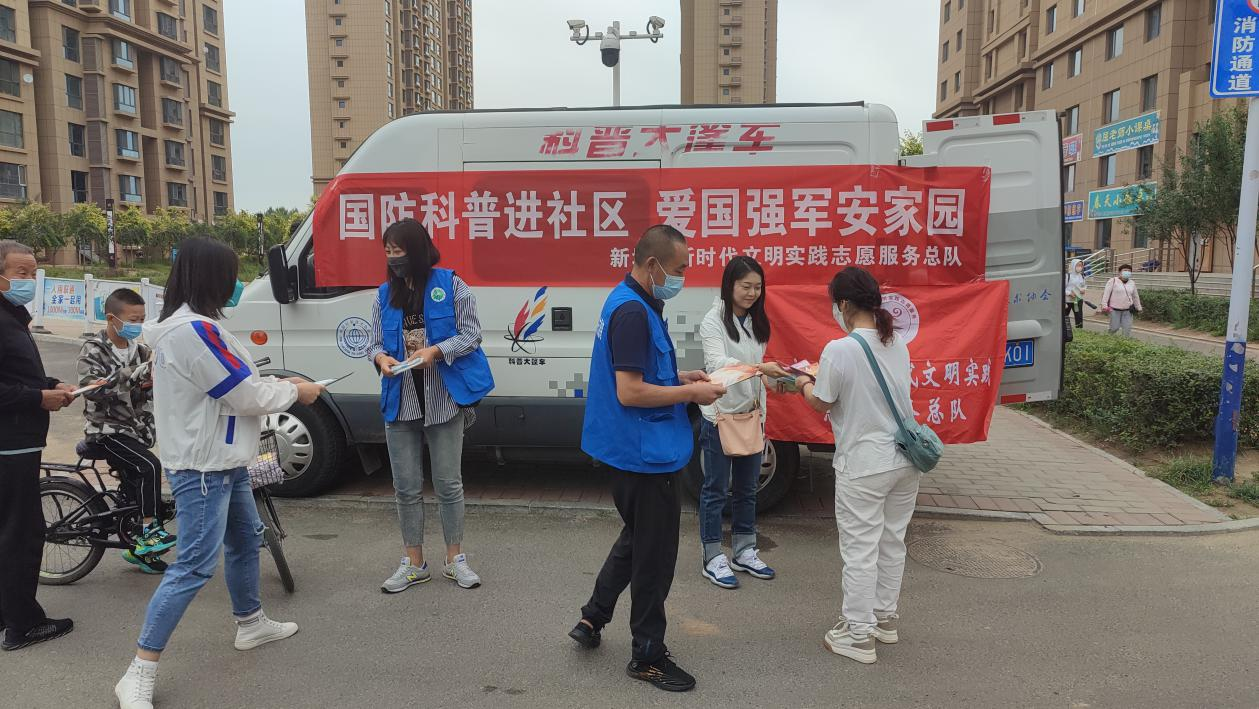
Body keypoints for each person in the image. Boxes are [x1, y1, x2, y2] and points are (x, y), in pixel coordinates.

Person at [115, 238, 325, 709]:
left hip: (222, 460)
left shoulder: (185, 328)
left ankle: (250, 623)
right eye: (232, 275)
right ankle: (139, 670)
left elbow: (235, 387)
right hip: (205, 466)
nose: (237, 284)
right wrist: (297, 392)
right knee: (193, 565)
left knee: (246, 539)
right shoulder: (194, 332)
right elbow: (244, 396)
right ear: (211, 278)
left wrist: (283, 385)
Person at [568, 224, 726, 693]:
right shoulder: (633, 312)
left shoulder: (630, 300)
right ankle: (647, 655)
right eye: (679, 269)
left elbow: (642, 371)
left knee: (638, 538)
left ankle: (593, 617)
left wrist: (681, 376)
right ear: (653, 264)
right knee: (654, 560)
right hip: (643, 455)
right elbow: (631, 391)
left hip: (631, 449)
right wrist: (693, 393)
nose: (682, 278)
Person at [794, 266, 919, 666]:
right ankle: (884, 619)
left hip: (865, 463)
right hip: (905, 459)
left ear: (844, 304)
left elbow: (822, 401)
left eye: (836, 303)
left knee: (860, 549)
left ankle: (858, 634)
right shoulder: (896, 342)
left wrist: (802, 382)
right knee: (891, 541)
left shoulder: (840, 349)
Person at [368, 218, 493, 594]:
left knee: (448, 484)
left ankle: (455, 559)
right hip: (400, 401)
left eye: (399, 251)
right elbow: (374, 343)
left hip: (444, 399)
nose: (393, 259)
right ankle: (415, 563)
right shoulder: (383, 294)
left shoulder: (452, 285)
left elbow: (471, 335)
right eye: (388, 252)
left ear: (418, 250)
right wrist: (380, 359)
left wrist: (436, 351)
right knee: (405, 487)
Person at [0, 240, 76, 652]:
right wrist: (37, 398)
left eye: (32, 272)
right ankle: (24, 625)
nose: (29, 280)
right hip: (10, 442)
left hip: (20, 438)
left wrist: (51, 385)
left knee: (10, 529)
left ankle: (7, 612)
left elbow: (15, 375)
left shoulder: (13, 316)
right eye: (20, 273)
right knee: (23, 533)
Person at [695, 256, 789, 589]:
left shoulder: (756, 321)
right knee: (715, 490)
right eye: (745, 286)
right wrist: (762, 369)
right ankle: (712, 557)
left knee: (747, 490)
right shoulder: (713, 320)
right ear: (729, 285)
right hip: (719, 417)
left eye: (757, 287)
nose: (752, 293)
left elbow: (757, 367)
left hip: (751, 417)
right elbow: (719, 364)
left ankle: (744, 551)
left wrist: (779, 380)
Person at [78, 288, 174, 575]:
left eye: (142, 319)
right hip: (104, 430)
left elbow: (147, 391)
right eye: (133, 319)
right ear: (112, 318)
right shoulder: (94, 349)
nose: (138, 325)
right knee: (149, 466)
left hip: (134, 430)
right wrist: (132, 376)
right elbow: (90, 388)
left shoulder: (141, 350)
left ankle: (139, 550)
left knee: (140, 490)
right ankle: (147, 534)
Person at [1102, 265, 1142, 337]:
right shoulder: (1113, 281)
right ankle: (1107, 338)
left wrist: (1138, 307)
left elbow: (1135, 296)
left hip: (1128, 310)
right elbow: (1106, 294)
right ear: (1119, 272)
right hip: (1114, 310)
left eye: (1129, 271)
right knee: (1114, 328)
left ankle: (1125, 342)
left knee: (1127, 329)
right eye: (1125, 270)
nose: (1127, 272)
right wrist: (1104, 305)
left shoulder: (1132, 283)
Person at [1064, 258, 1087, 329]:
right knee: (1064, 316)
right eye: (1078, 265)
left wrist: (1083, 290)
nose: (1080, 267)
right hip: (1067, 301)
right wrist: (1069, 293)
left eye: (1081, 265)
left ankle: (1079, 331)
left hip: (1077, 300)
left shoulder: (1081, 276)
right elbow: (1061, 288)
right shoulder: (1067, 276)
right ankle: (1065, 331)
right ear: (1073, 265)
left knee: (1078, 317)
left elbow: (1083, 285)